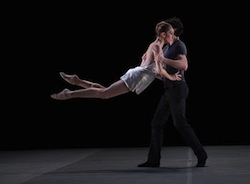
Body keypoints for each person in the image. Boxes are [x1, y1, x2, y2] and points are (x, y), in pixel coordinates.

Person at [137, 17, 208, 168]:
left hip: (178, 89)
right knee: (156, 123)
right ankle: (153, 160)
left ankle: (201, 154)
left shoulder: (179, 45)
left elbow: (184, 65)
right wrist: (146, 67)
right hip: (168, 89)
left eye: (169, 30)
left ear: (173, 31)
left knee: (180, 124)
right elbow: (161, 73)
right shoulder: (166, 47)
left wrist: (164, 60)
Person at [50, 21, 184, 100]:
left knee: (104, 91)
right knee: (104, 94)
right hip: (135, 77)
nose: (173, 36)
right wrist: (171, 77)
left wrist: (166, 78)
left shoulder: (155, 46)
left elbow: (155, 72)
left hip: (136, 76)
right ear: (163, 34)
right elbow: (159, 70)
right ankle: (69, 93)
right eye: (171, 33)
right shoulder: (157, 47)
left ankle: (76, 80)